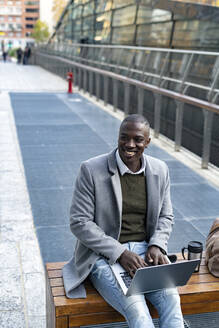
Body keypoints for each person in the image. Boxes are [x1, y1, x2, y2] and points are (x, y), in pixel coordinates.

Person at [63, 114, 184, 328]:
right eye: (123, 137)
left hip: (147, 254)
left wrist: (157, 244)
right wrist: (120, 253)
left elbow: (166, 216)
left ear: (147, 142)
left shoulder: (159, 170)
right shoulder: (91, 170)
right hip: (105, 256)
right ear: (118, 137)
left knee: (173, 301)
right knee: (138, 311)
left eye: (137, 139)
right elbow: (79, 222)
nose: (129, 144)